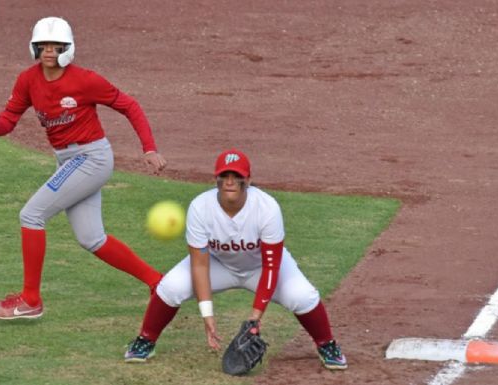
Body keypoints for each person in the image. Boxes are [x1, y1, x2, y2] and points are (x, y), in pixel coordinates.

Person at [0, 16, 166, 320]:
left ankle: (30, 300)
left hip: (92, 159)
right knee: (92, 238)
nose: (49, 51)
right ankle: (159, 283)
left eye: (55, 46)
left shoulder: (85, 80)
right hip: (69, 160)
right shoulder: (28, 80)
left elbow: (129, 105)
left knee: (31, 215)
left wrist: (149, 148)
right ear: (34, 48)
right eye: (43, 46)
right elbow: (9, 117)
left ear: (68, 48)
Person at [124, 149, 347, 371]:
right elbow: (199, 265)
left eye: (237, 176)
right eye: (225, 176)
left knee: (303, 296)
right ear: (216, 180)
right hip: (218, 264)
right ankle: (146, 340)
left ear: (248, 180)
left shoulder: (267, 208)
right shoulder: (200, 208)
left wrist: (255, 317)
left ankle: (327, 344)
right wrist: (207, 315)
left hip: (261, 267)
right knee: (170, 287)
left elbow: (272, 267)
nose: (230, 182)